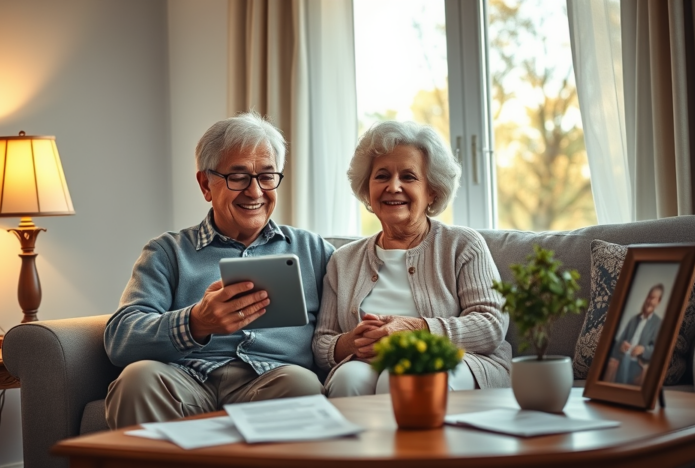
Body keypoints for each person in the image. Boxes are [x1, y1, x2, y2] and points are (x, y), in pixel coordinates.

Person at [104, 111, 334, 429]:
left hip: (273, 382)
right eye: (237, 177)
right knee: (137, 379)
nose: (255, 192)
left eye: (267, 176)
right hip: (185, 381)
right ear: (205, 184)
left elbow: (347, 319)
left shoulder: (314, 251)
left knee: (302, 385)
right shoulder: (167, 252)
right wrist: (196, 322)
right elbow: (121, 339)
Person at [312, 121, 511, 397]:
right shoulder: (343, 260)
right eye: (381, 176)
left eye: (408, 177)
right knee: (347, 380)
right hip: (368, 361)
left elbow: (490, 325)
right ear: (367, 189)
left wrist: (414, 329)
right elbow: (323, 343)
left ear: (432, 191)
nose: (393, 187)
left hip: (461, 360)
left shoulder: (463, 245)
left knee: (403, 377)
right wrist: (351, 343)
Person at [606, 284, 664, 386]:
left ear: (658, 302)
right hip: (624, 357)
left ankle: (618, 391)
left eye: (653, 298)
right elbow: (619, 341)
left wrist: (643, 350)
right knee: (621, 359)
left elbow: (659, 349)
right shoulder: (633, 320)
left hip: (638, 362)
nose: (649, 301)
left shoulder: (658, 323)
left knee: (625, 361)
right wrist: (621, 346)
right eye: (649, 297)